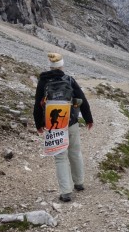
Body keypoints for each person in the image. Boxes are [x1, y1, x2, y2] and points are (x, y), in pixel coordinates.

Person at [33, 52, 93, 202]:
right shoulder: (69, 80)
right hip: (71, 121)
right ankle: (79, 183)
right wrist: (88, 119)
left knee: (60, 157)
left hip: (53, 126)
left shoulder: (43, 82)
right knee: (75, 152)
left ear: (50, 66)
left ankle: (66, 192)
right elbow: (82, 99)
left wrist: (39, 124)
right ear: (62, 66)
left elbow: (37, 105)